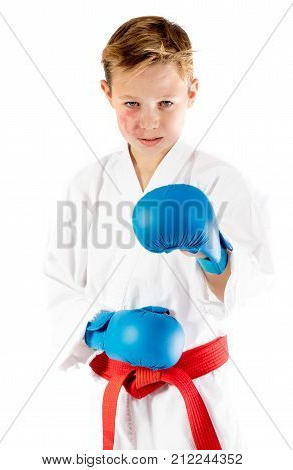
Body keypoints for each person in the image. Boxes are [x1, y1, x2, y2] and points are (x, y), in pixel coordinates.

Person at [44, 15, 274, 450]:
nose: (149, 121)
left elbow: (258, 284)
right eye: (132, 103)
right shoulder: (85, 186)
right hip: (113, 398)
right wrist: (102, 332)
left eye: (166, 103)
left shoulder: (221, 180)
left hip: (196, 397)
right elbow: (58, 286)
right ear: (107, 94)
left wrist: (214, 252)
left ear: (192, 92)